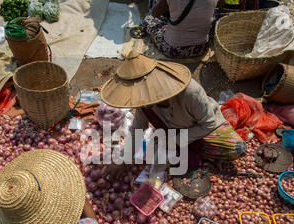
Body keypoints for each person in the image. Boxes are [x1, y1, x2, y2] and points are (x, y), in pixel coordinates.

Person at [101, 50, 247, 179]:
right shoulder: (144, 102)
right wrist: (123, 158)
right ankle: (200, 156)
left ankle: (195, 154)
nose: (144, 102)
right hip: (170, 135)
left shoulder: (191, 92)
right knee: (154, 160)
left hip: (202, 130)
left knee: (238, 148)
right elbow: (137, 129)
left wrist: (175, 141)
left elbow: (208, 124)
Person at [140, 0, 217, 59]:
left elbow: (155, 14)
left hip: (173, 50)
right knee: (214, 13)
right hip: (201, 48)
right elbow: (221, 4)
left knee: (149, 19)